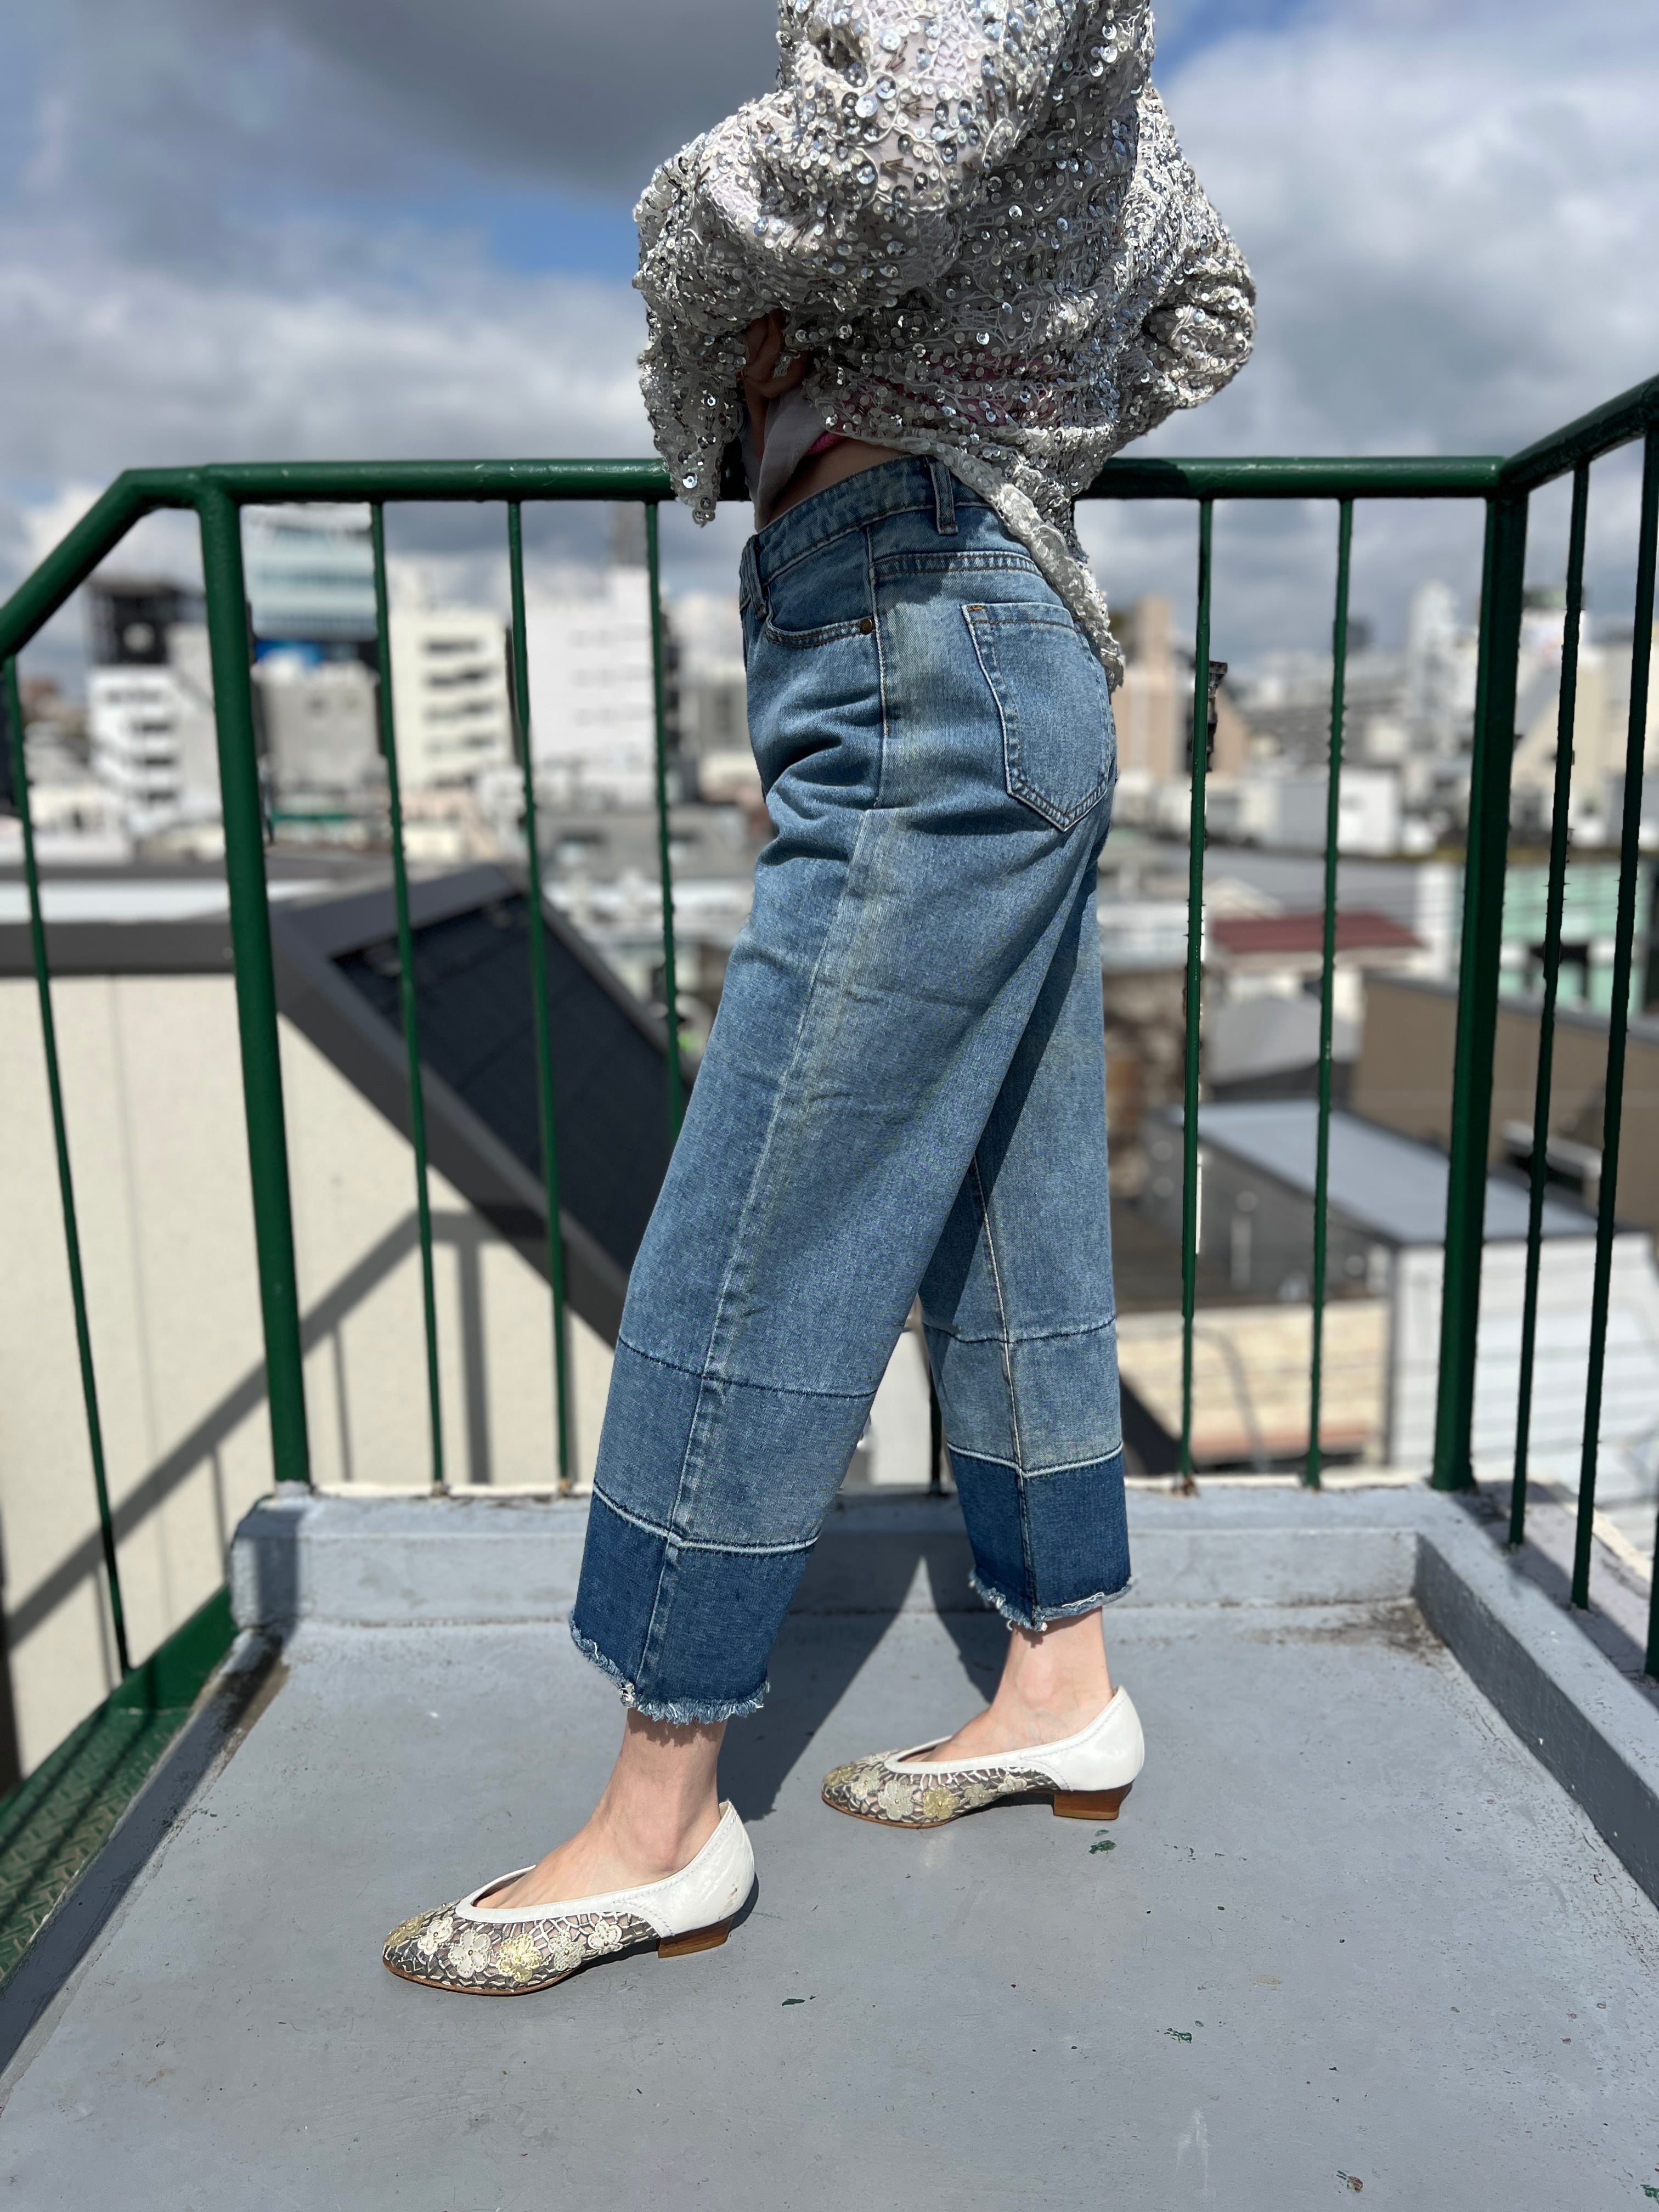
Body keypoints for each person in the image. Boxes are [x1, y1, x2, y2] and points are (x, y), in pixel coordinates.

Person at [385, 0, 1251, 1995]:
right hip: (988, 624)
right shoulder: (1116, 81)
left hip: (918, 638)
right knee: (1008, 1185)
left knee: (765, 1206)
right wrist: (1018, 409)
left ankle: (660, 1818)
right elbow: (1206, 304)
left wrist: (690, 224)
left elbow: (898, 143)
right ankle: (1062, 1679)